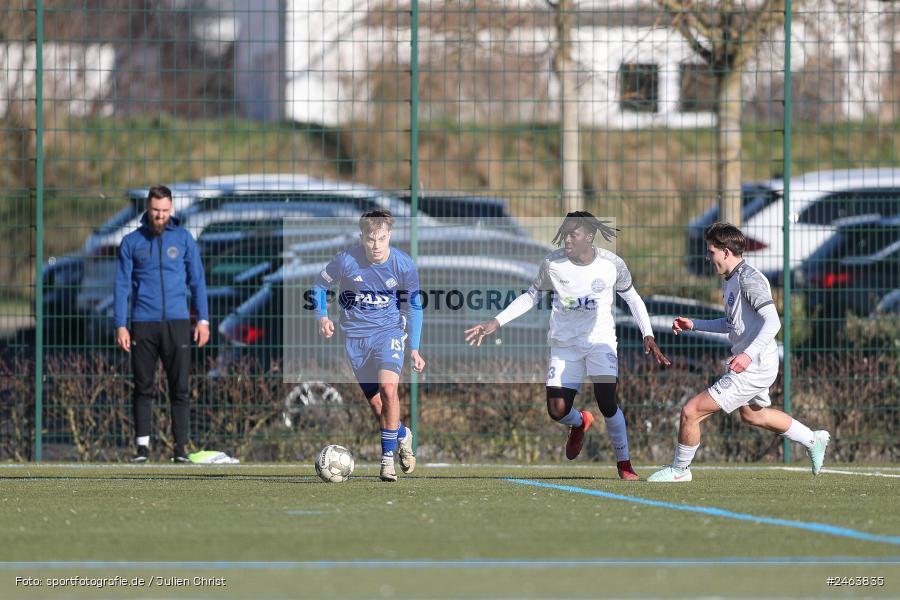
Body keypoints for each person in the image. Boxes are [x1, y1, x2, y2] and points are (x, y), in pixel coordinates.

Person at [465, 211, 670, 480]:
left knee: (607, 402)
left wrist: (648, 334)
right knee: (557, 410)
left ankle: (624, 463)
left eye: (573, 234)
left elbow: (633, 299)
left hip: (600, 342)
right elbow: (530, 297)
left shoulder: (612, 264)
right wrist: (496, 321)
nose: (567, 240)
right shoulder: (553, 263)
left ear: (589, 236)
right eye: (565, 234)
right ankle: (580, 422)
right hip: (564, 345)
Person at [648, 222, 830, 482]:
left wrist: (747, 355)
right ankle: (813, 440)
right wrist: (694, 325)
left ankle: (680, 470)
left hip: (753, 365)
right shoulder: (731, 278)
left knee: (691, 411)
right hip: (753, 362)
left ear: (725, 252)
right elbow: (733, 324)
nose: (707, 257)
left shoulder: (749, 279)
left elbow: (774, 322)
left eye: (710, 251)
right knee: (754, 416)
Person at [312, 210, 425, 482]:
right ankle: (401, 434)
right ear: (362, 237)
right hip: (355, 340)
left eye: (382, 239)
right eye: (371, 240)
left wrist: (415, 347)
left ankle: (386, 461)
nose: (376, 246)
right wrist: (322, 316)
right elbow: (318, 285)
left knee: (389, 390)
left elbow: (415, 306)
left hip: (389, 333)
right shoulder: (346, 260)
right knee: (379, 407)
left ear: (390, 236)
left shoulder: (403, 265)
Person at [114, 185, 210, 463]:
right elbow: (121, 287)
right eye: (156, 211)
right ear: (148, 208)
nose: (160, 216)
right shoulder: (131, 242)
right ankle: (142, 448)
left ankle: (180, 449)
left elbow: (197, 281)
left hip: (178, 323)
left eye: (165, 211)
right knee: (143, 386)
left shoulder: (182, 239)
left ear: (171, 209)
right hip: (143, 323)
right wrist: (121, 324)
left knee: (179, 387)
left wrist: (202, 319)